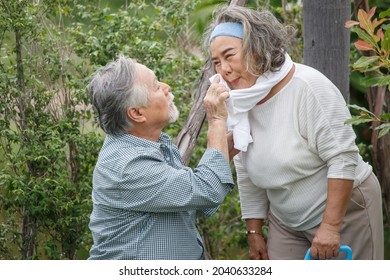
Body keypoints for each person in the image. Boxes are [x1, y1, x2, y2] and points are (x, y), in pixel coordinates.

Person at [204, 5, 384, 260]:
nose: (223, 69)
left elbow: (342, 158)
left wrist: (331, 227)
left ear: (257, 48)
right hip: (286, 221)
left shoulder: (308, 87)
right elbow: (247, 169)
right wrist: (253, 230)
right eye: (216, 63)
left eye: (229, 56)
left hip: (344, 213)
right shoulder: (242, 100)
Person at [86, 55, 234, 260]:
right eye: (156, 87)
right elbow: (207, 191)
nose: (167, 87)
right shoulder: (129, 166)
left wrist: (223, 149)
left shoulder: (149, 142)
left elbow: (192, 201)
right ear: (136, 113)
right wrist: (217, 120)